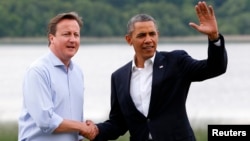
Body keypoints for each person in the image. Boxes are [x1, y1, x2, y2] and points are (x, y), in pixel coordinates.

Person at [91, 1, 228, 141]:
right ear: (129, 39)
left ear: (158, 35)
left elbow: (215, 68)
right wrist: (94, 130)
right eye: (141, 35)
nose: (148, 40)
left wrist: (214, 38)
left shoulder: (176, 61)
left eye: (152, 34)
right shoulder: (118, 77)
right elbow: (118, 123)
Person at [18, 12, 98, 141]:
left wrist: (85, 127)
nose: (72, 39)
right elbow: (46, 120)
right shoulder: (38, 71)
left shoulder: (77, 72)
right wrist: (81, 127)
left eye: (76, 35)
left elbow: (73, 119)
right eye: (66, 34)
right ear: (52, 38)